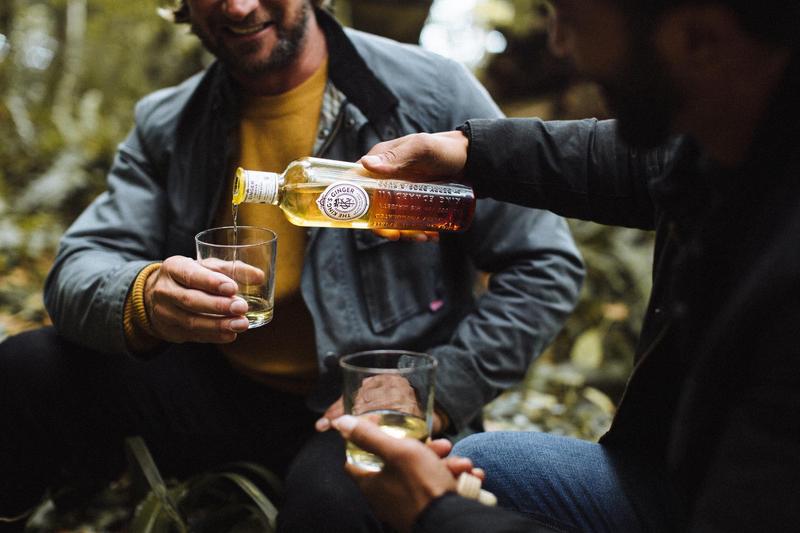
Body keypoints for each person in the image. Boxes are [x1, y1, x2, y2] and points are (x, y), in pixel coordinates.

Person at [0, 0, 584, 531]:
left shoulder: (430, 92)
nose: (239, 6)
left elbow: (544, 264)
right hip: (220, 390)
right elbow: (79, 264)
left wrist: (442, 387)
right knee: (28, 366)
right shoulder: (168, 121)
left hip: (367, 399)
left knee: (330, 504)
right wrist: (144, 295)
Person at [335, 0, 800, 531]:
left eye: (573, 21)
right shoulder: (740, 131)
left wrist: (437, 515)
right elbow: (641, 163)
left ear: (698, 40)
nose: (557, 44)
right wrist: (467, 151)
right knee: (499, 466)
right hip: (684, 473)